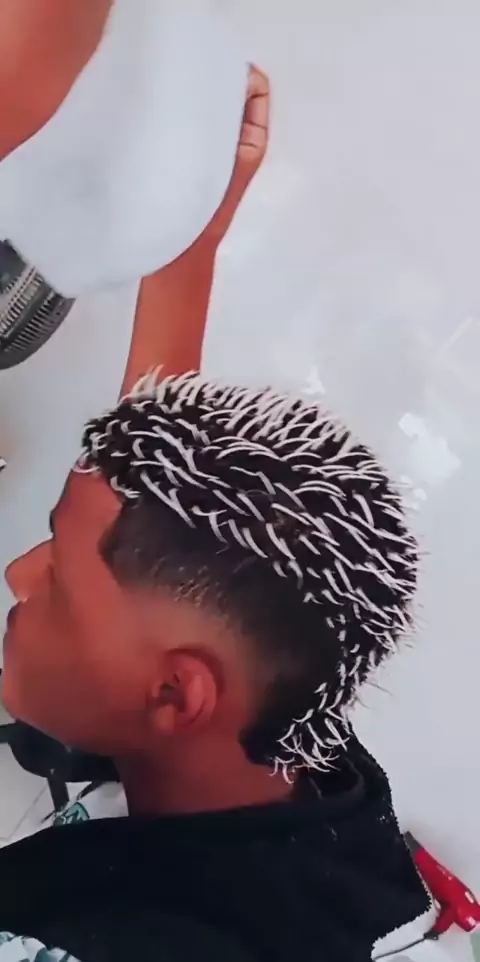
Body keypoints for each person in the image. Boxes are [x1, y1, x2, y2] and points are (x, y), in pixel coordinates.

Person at [0, 5, 432, 962]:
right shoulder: (277, 736)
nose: (19, 572)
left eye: (59, 579)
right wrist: (183, 240)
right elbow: (148, 501)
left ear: (175, 691)